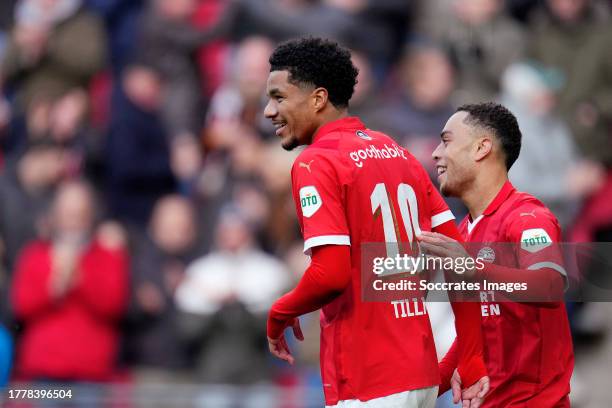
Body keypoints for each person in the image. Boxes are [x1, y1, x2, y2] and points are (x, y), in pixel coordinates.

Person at [264, 37, 487, 408]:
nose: (269, 110)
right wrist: (471, 357)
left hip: (369, 379)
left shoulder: (316, 162)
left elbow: (331, 273)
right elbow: (459, 261)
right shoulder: (397, 152)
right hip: (419, 376)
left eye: (279, 97)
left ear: (318, 99)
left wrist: (280, 312)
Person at [421, 102, 574, 406]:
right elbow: (476, 330)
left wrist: (473, 269)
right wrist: (416, 395)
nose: (436, 153)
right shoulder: (463, 233)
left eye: (446, 140)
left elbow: (549, 285)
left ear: (481, 148)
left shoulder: (527, 217)